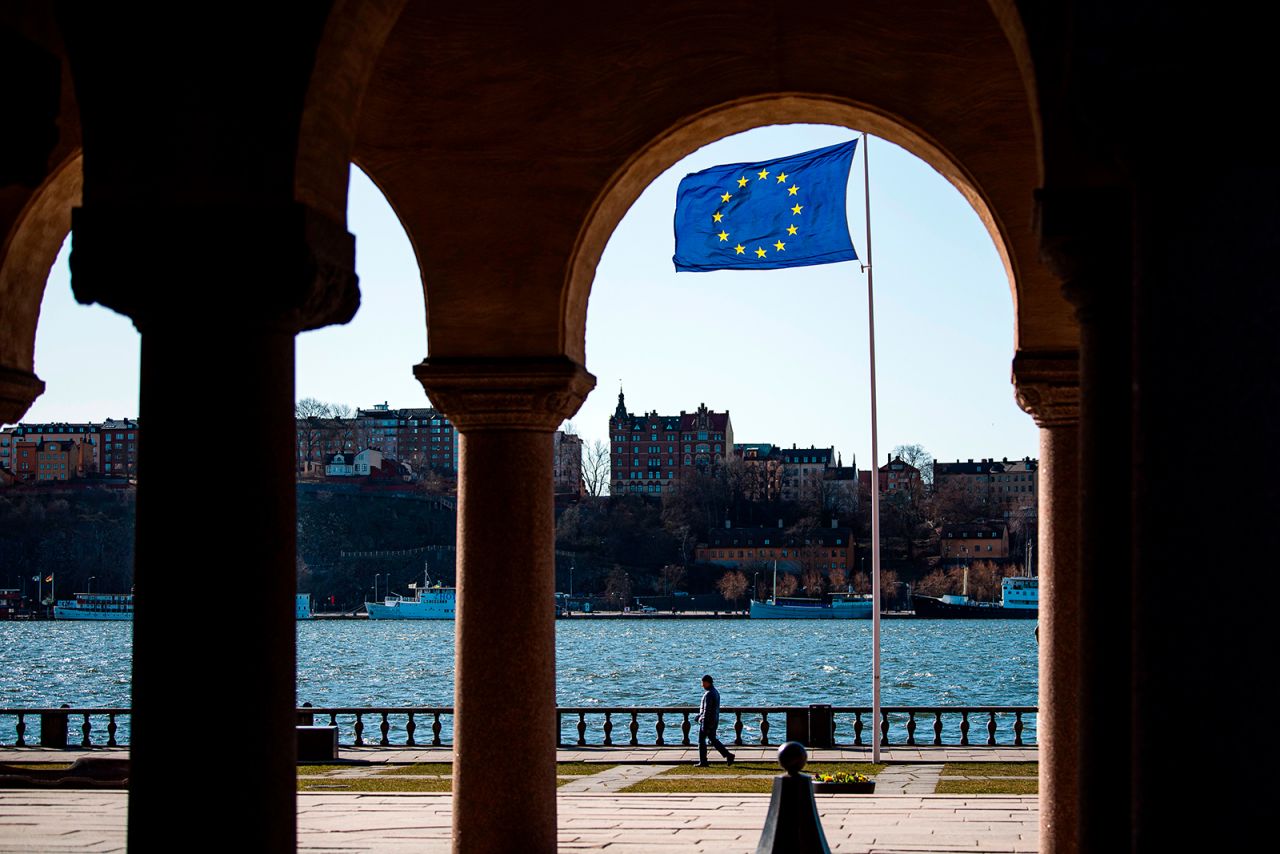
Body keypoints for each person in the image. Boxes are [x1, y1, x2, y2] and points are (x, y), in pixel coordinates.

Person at [696, 674, 735, 767]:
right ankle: (728, 755)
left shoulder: (709, 694)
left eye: (703, 683)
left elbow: (707, 710)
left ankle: (703, 761)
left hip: (707, 721)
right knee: (713, 740)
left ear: (707, 682)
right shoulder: (715, 692)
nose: (702, 685)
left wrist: (703, 720)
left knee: (701, 741)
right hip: (714, 720)